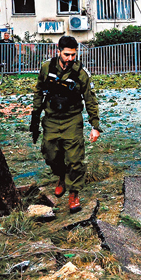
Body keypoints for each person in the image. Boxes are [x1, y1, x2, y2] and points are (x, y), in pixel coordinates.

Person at [30, 36, 101, 212]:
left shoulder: (81, 73)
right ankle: (61, 176)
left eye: (73, 55)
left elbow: (90, 99)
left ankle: (74, 194)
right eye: (67, 54)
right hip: (52, 119)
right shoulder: (47, 67)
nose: (70, 59)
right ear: (58, 51)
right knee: (50, 154)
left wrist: (95, 125)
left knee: (75, 159)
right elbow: (39, 91)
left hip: (72, 119)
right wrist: (35, 117)